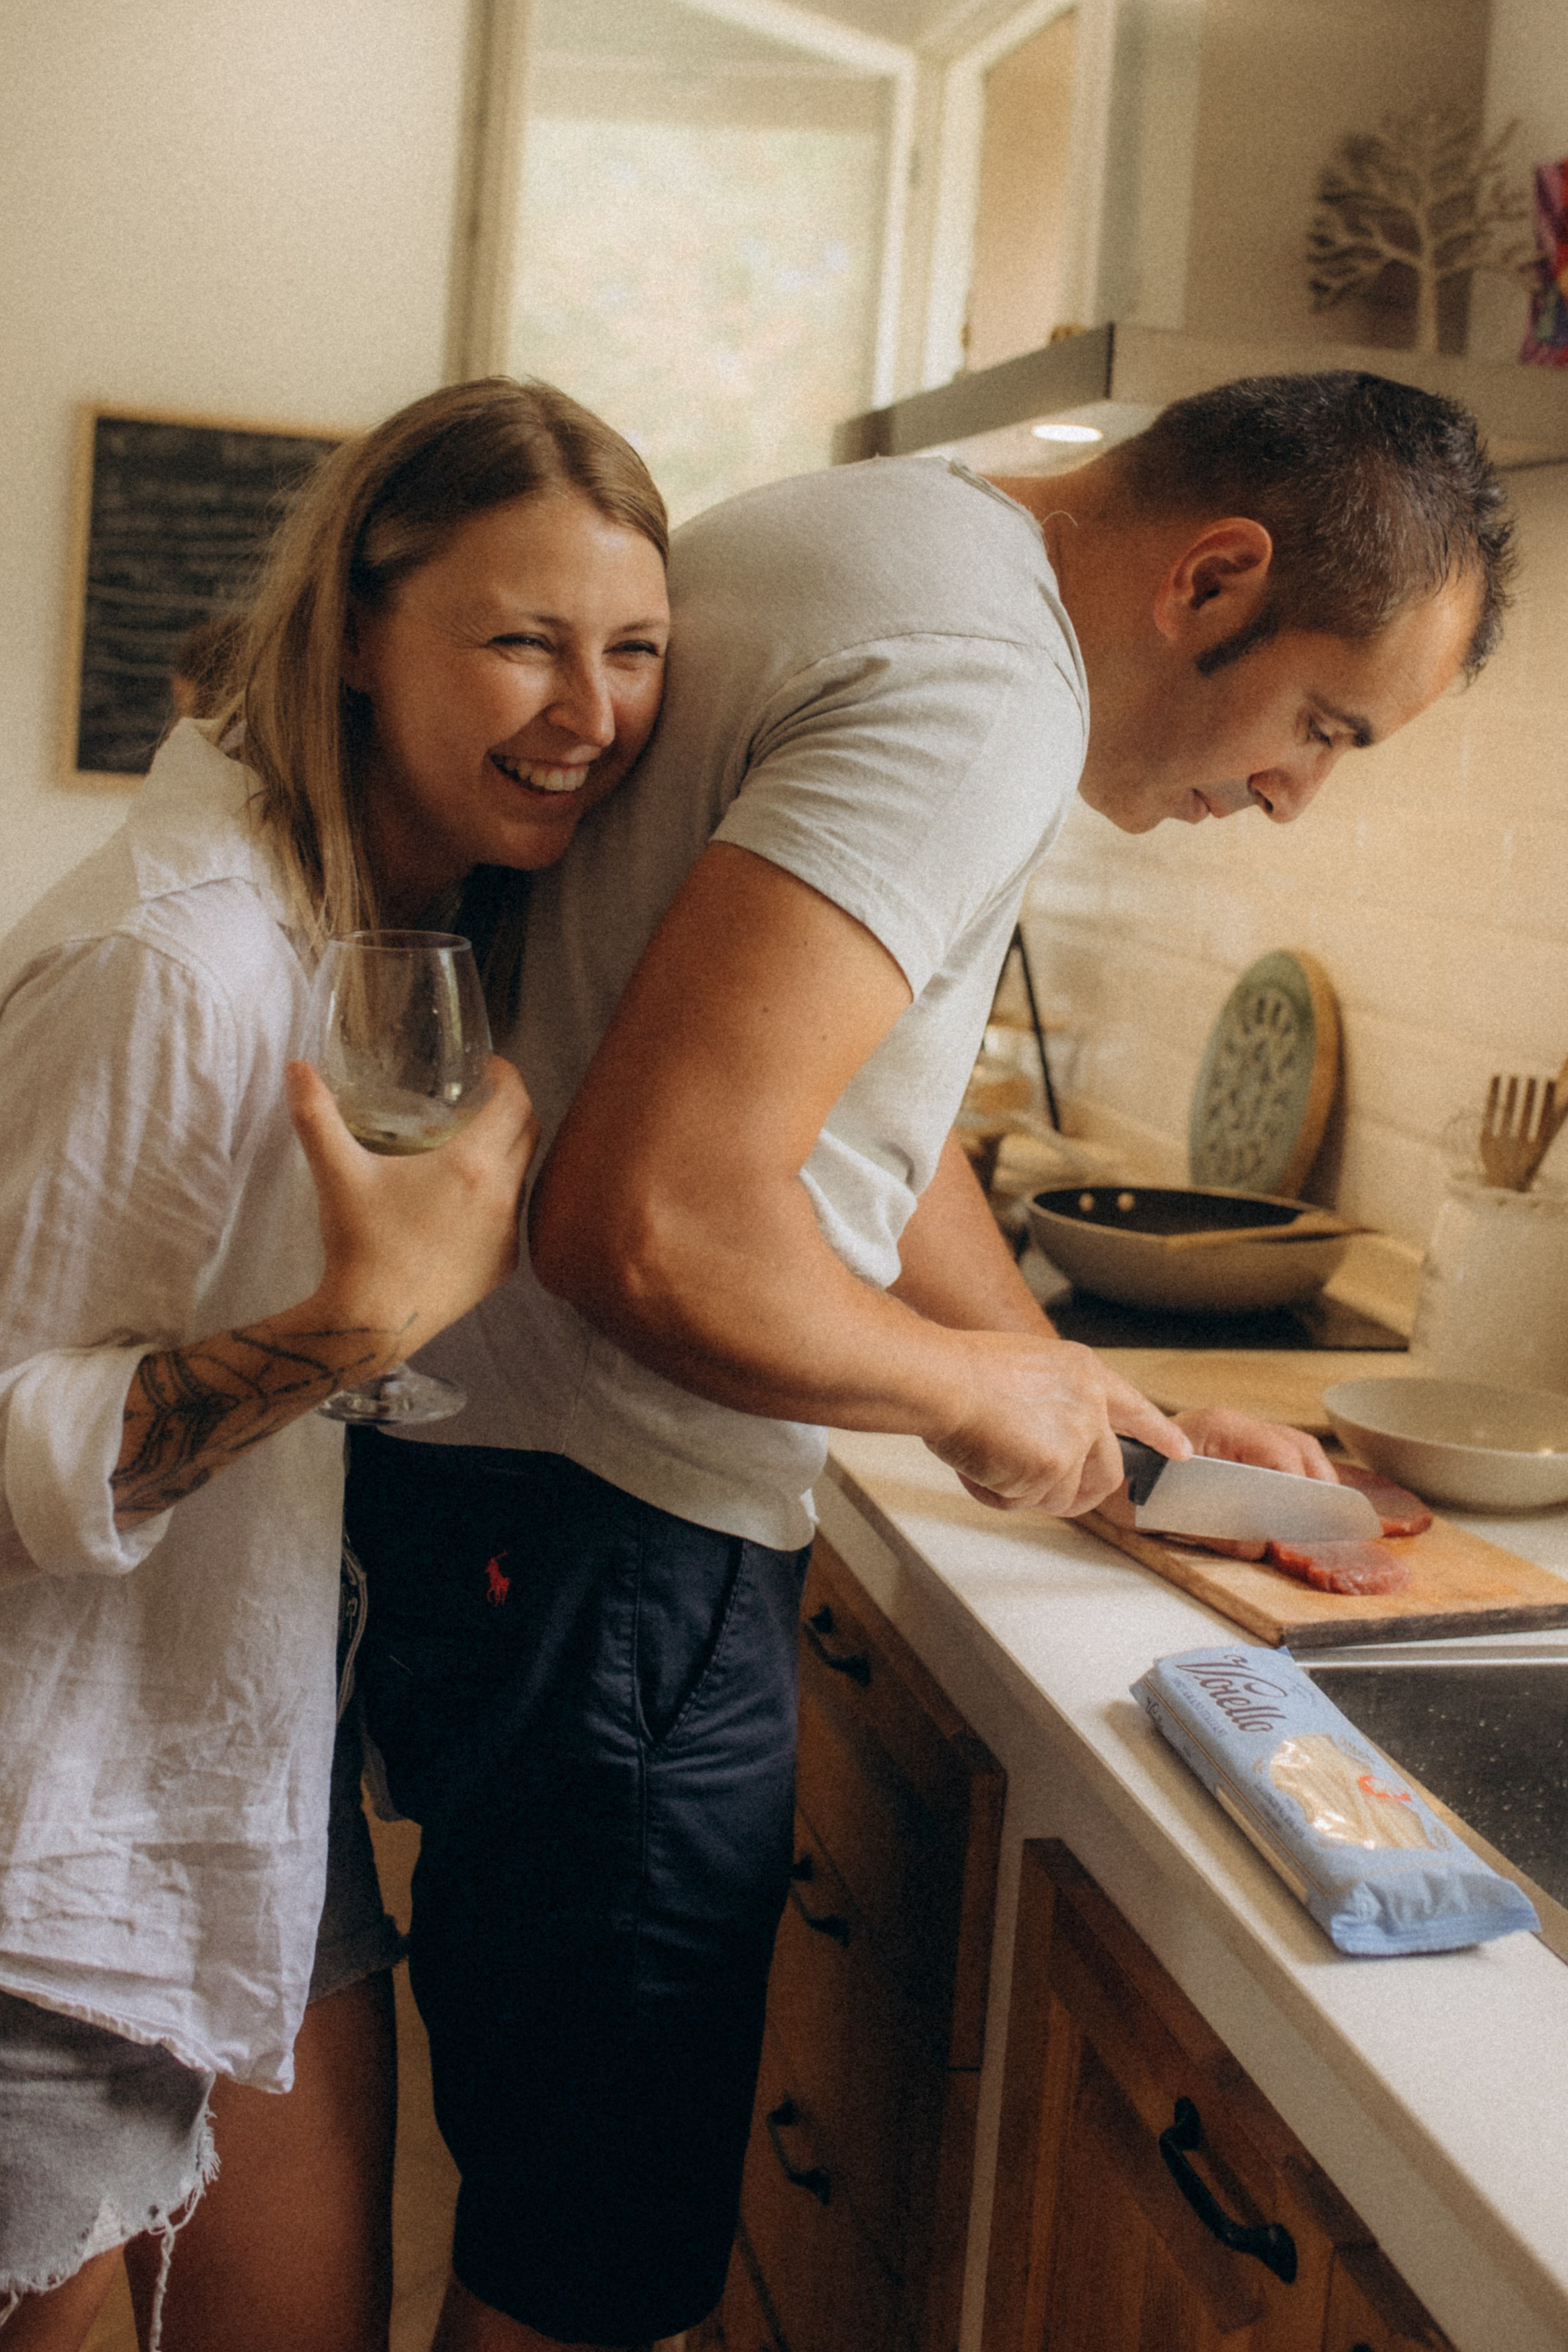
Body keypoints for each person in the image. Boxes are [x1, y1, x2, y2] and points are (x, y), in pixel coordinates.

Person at [345, 367, 1513, 2352]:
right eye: (1324, 724)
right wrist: (972, 1395)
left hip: (513, 1501)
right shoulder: (988, 686)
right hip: (616, 1535)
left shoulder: (882, 535)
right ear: (1215, 578)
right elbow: (650, 1222)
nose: (1296, 795)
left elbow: (842, 1111)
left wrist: (1091, 1408)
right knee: (582, 2283)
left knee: (554, 2211)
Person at [0, 377, 669, 2352]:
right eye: (524, 640)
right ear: (360, 635)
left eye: (634, 651)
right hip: (41, 1833)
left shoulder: (377, 929)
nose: (591, 710)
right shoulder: (182, 964)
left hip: (240, 1762)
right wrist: (349, 1335)